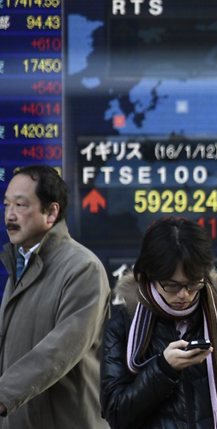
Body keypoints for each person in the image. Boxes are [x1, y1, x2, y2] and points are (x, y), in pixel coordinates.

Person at [100, 216, 217, 429]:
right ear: (149, 276)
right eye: (172, 285)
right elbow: (115, 412)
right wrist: (164, 368)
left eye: (193, 284)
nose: (184, 295)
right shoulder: (124, 326)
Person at [0, 165, 110, 428]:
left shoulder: (84, 268)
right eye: (6, 205)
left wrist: (3, 396)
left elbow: (57, 351)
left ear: (51, 212)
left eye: (21, 205)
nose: (10, 216)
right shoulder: (20, 263)